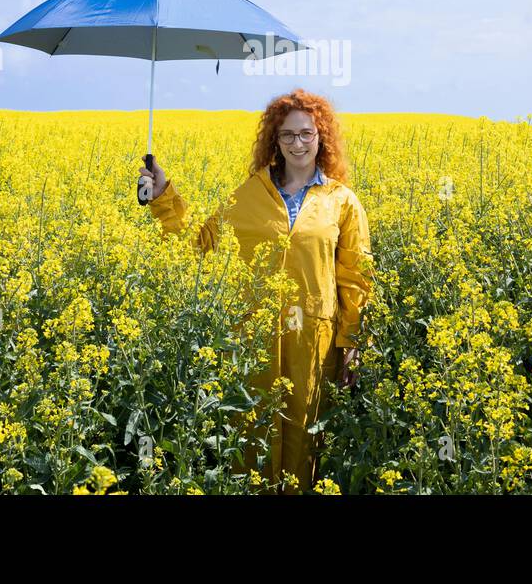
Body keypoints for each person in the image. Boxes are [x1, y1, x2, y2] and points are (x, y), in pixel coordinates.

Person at [136, 88, 373, 493]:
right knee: (250, 442)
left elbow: (355, 276)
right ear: (275, 141)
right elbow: (200, 245)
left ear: (322, 137)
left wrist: (351, 341)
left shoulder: (342, 201)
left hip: (315, 338)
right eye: (288, 135)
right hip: (252, 338)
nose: (298, 143)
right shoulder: (249, 195)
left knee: (306, 445)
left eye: (307, 134)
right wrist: (162, 198)